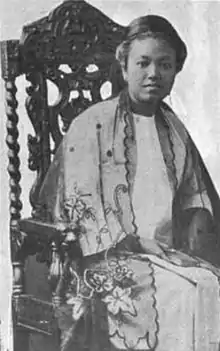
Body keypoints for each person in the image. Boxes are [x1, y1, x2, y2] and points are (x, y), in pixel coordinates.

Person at [38, 15, 220, 351]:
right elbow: (80, 210)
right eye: (144, 63)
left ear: (175, 72)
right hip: (102, 256)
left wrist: (198, 221)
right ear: (123, 68)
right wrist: (135, 243)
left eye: (165, 65)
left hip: (168, 253)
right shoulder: (91, 125)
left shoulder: (175, 130)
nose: (154, 73)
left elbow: (195, 194)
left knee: (211, 285)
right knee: (186, 294)